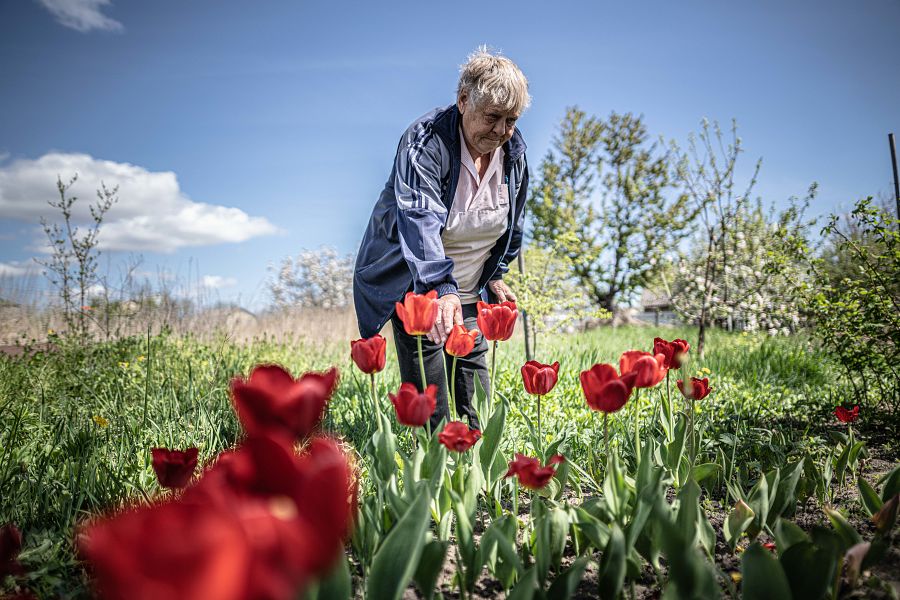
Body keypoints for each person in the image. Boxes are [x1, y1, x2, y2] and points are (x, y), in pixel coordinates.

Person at [353, 47, 531, 431]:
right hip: (423, 291)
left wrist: (497, 271)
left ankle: (477, 487)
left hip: (468, 292)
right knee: (432, 414)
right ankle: (432, 485)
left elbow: (512, 221)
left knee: (477, 412)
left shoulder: (513, 154)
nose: (501, 131)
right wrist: (439, 287)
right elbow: (418, 219)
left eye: (511, 121)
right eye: (493, 117)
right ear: (464, 100)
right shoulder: (425, 141)